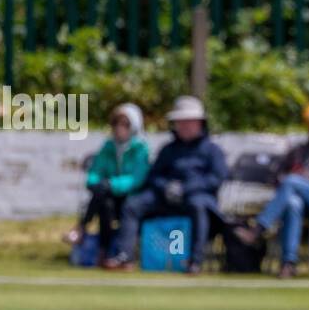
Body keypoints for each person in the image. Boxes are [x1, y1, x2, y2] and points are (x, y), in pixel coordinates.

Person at [106, 96, 226, 275]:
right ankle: (125, 256)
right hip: (166, 197)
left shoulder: (212, 150)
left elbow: (216, 178)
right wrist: (167, 187)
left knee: (198, 205)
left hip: (197, 197)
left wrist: (186, 188)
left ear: (200, 123)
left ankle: (195, 262)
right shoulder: (168, 150)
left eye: (189, 122)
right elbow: (153, 176)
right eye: (181, 122)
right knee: (133, 205)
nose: (184, 126)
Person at [241, 116, 309, 279]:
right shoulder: (300, 150)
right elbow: (277, 174)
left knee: (292, 181)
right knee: (292, 203)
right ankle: (289, 263)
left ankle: (259, 228)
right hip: (299, 200)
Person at [67, 104, 149, 264]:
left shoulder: (141, 149)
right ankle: (103, 252)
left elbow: (137, 179)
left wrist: (110, 184)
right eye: (116, 124)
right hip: (109, 196)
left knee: (106, 196)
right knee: (105, 203)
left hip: (133, 197)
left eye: (125, 124)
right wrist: (95, 183)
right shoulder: (108, 147)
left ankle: (82, 228)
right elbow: (96, 171)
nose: (119, 128)